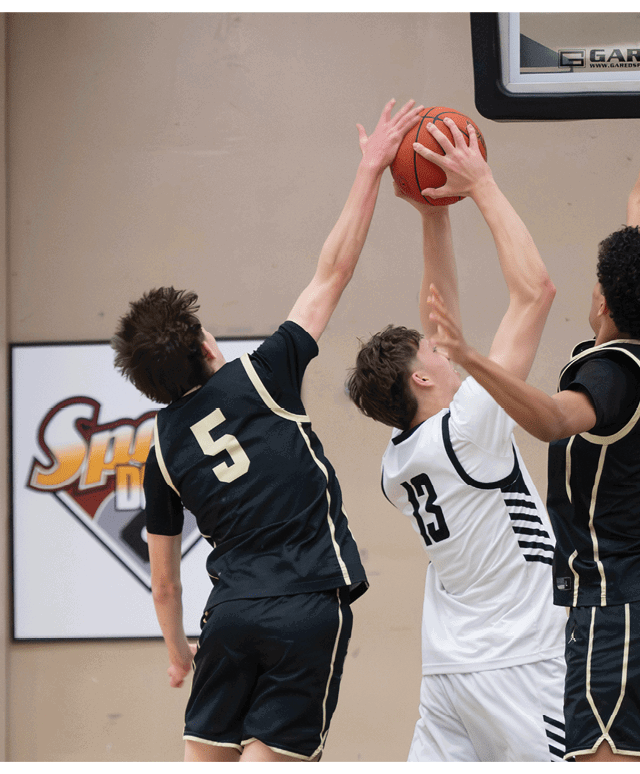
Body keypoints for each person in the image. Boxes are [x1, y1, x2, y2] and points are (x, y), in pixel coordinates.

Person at [424, 16, 640, 762]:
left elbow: (552, 420)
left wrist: (471, 359)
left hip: (614, 621)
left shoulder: (609, 375)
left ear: (606, 302)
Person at [110, 98, 425, 762]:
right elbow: (332, 271)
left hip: (229, 617)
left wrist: (176, 654)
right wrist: (369, 169)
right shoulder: (262, 374)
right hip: (305, 604)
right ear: (204, 343)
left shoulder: (162, 446)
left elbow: (163, 581)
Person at [346, 116, 566, 761]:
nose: (444, 348)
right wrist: (481, 185)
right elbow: (536, 293)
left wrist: (431, 213)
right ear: (421, 376)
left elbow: (437, 314)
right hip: (521, 664)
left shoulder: (396, 463)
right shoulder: (470, 426)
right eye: (432, 352)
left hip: (448, 675)